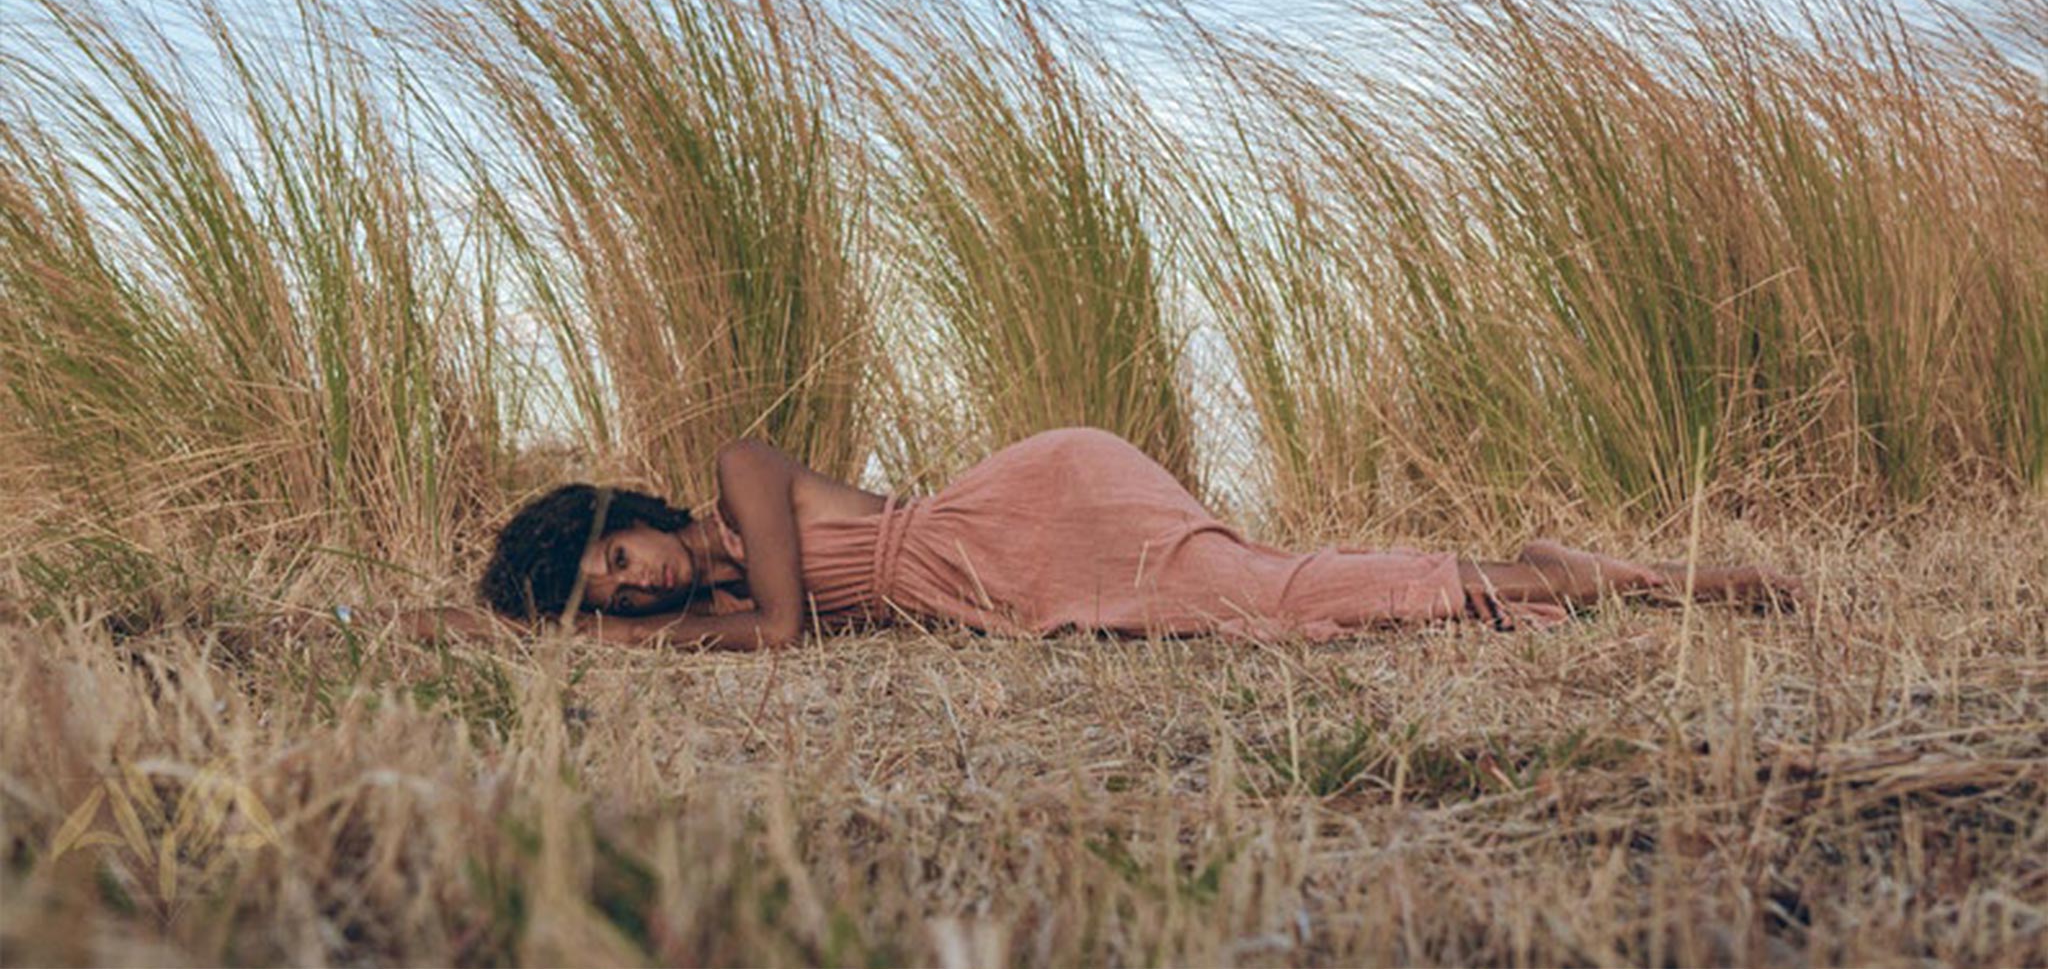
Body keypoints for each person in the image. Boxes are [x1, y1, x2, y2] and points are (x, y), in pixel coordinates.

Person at [436, 427, 1799, 651]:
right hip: (1026, 573)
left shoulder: (741, 476)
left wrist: (675, 639)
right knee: (1267, 599)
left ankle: (1672, 583)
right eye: (610, 599)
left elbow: (785, 637)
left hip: (1043, 508)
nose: (638, 585)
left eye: (617, 558)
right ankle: (1539, 566)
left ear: (625, 512)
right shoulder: (708, 590)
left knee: (1274, 601)